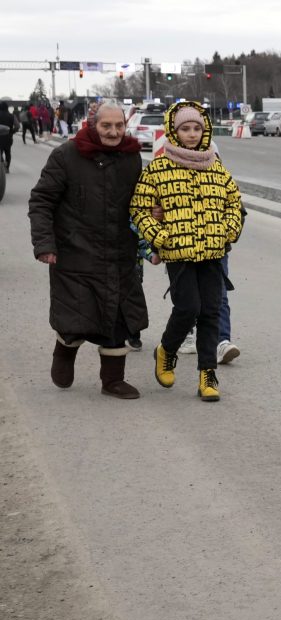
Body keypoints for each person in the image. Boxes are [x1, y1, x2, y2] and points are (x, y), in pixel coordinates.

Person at [28, 101, 147, 399]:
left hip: (119, 252)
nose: (114, 131)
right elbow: (42, 201)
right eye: (107, 125)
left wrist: (153, 218)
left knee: (118, 319)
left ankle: (112, 381)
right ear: (92, 125)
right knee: (76, 317)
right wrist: (45, 244)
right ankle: (64, 352)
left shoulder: (132, 158)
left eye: (119, 125)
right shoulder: (66, 155)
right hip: (75, 252)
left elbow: (141, 202)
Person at [130, 101, 243, 402]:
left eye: (197, 128)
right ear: (173, 131)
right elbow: (140, 209)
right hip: (178, 253)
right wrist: (160, 236)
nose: (192, 134)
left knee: (211, 311)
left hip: (212, 251)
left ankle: (208, 374)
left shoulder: (216, 167)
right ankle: (166, 350)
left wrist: (229, 229)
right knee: (188, 307)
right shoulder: (158, 169)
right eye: (185, 128)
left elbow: (234, 204)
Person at [0, 102, 18, 172]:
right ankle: (7, 168)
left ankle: (1, 166)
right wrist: (12, 132)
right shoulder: (12, 116)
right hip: (8, 137)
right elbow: (17, 126)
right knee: (8, 152)